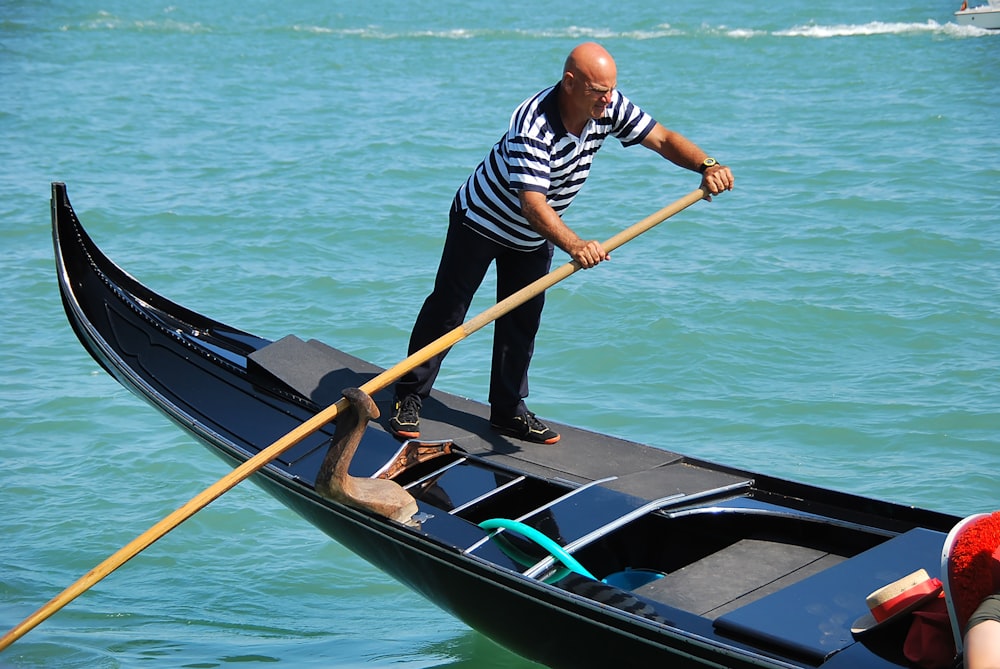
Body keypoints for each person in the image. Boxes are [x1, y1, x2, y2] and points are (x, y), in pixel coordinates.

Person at [388, 41, 734, 444]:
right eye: (598, 91)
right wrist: (575, 244)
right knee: (448, 310)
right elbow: (533, 203)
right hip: (481, 221)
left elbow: (661, 138)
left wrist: (706, 164)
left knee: (522, 322)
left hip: (534, 235)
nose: (608, 100)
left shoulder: (607, 106)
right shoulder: (532, 125)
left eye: (611, 90)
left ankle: (507, 413)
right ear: (570, 83)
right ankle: (408, 397)